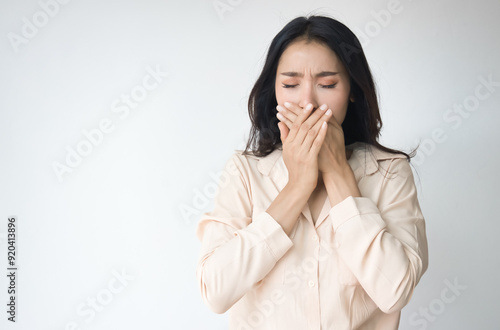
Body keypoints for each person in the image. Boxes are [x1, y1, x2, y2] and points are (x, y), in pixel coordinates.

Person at [195, 14, 428, 330]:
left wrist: (337, 173)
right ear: (274, 92)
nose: (307, 102)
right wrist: (297, 187)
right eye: (290, 85)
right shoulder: (245, 173)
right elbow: (216, 292)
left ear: (353, 90)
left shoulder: (389, 173)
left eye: (327, 84)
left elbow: (396, 291)